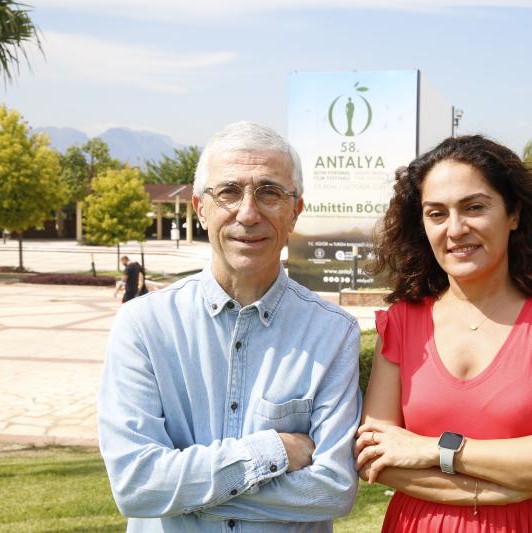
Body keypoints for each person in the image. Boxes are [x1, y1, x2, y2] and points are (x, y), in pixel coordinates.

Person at [98, 122, 362, 532]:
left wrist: (182, 496)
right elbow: (136, 485)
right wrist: (273, 450)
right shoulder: (143, 325)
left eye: (269, 192)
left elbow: (332, 489)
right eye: (229, 192)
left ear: (295, 212)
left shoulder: (333, 333)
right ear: (200, 208)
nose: (248, 213)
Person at [355, 135, 532, 532]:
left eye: (474, 207)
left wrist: (431, 449)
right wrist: (506, 488)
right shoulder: (400, 324)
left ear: (514, 214)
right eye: (437, 214)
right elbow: (375, 457)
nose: (455, 229)